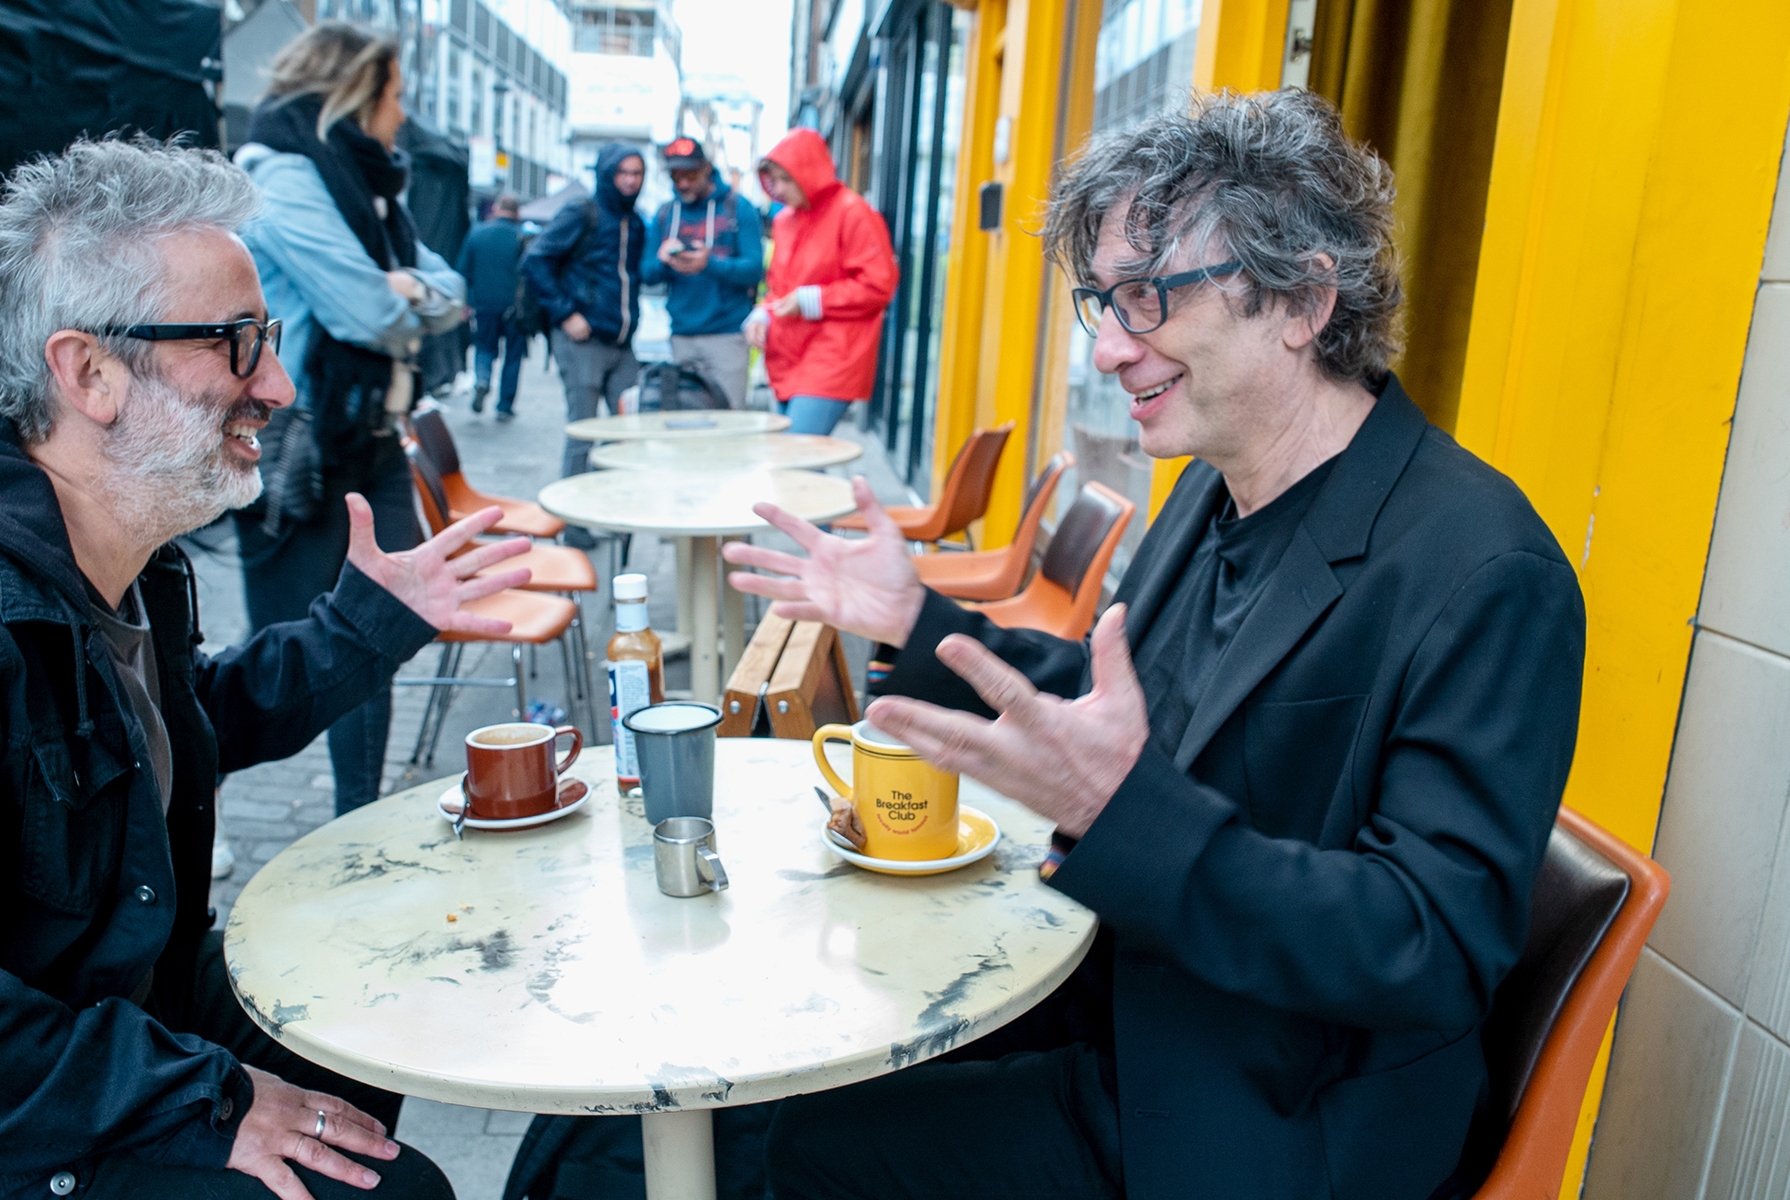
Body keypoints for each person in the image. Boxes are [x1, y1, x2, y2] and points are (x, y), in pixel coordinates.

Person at [724, 91, 1586, 1199]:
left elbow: (1428, 944)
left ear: (1303, 300)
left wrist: (1122, 816)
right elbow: (1103, 712)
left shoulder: (1483, 569)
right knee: (751, 1072)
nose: (1109, 352)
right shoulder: (1212, 491)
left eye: (1150, 301)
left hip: (1267, 1111)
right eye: (1103, 303)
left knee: (791, 1147)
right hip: (1123, 997)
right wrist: (915, 619)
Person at [0, 136, 532, 1200]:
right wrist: (207, 1100)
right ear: (87, 371)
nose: (274, 382)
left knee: (375, 1004)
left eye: (265, 337)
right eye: (235, 343)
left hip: (73, 1004)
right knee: (390, 1189)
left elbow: (157, 733)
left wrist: (367, 624)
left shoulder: (107, 537)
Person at [232, 22, 469, 816]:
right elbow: (368, 311)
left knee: (377, 632)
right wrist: (399, 291)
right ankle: (191, 803)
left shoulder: (373, 190)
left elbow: (452, 289)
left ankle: (358, 822)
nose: (403, 116)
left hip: (371, 440)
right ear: (356, 95)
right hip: (298, 448)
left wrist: (407, 290)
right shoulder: (280, 176)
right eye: (396, 97)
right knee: (280, 655)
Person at [521, 143, 647, 548]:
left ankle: (613, 509)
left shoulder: (637, 224)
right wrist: (564, 313)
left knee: (627, 429)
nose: (630, 180)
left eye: (637, 173)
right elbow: (536, 260)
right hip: (583, 341)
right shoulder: (582, 212)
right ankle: (573, 522)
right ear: (608, 174)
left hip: (622, 343)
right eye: (623, 173)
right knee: (583, 430)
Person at [742, 128, 897, 436]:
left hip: (833, 355)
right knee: (796, 462)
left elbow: (879, 285)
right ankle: (854, 487)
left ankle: (855, 487)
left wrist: (813, 300)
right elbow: (780, 287)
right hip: (788, 354)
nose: (778, 188)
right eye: (774, 179)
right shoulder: (784, 220)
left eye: (787, 178)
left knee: (797, 456)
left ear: (809, 172)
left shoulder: (853, 212)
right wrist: (763, 312)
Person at [640, 136, 764, 410]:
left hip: (727, 335)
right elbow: (646, 274)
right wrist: (664, 260)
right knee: (687, 423)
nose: (683, 183)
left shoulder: (737, 207)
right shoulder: (665, 214)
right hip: (682, 335)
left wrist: (709, 264)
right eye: (676, 176)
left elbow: (755, 269)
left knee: (729, 421)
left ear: (706, 168)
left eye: (690, 174)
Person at [457, 193, 530, 419]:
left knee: (484, 347)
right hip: (515, 308)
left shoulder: (477, 233)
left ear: (496, 209)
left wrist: (465, 303)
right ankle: (504, 406)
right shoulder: (522, 238)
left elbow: (463, 271)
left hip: (484, 305)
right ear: (517, 212)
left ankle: (482, 379)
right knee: (513, 357)